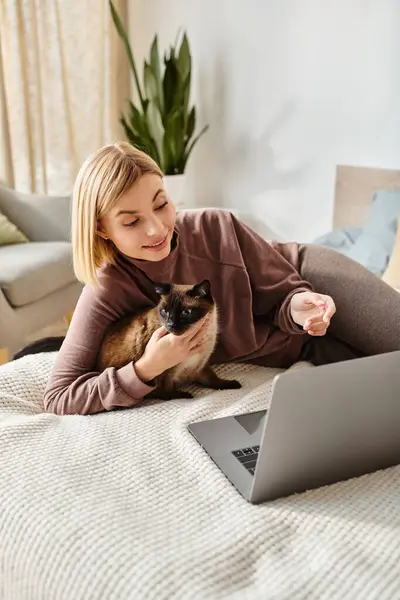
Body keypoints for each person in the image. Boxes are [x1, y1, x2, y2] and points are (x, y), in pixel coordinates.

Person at [43, 142, 400, 415]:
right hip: (297, 347)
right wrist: (147, 367)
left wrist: (298, 306)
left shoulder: (215, 226)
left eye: (161, 203)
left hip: (308, 274)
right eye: (132, 221)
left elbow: (283, 292)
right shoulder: (107, 287)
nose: (156, 228)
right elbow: (60, 395)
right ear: (100, 229)